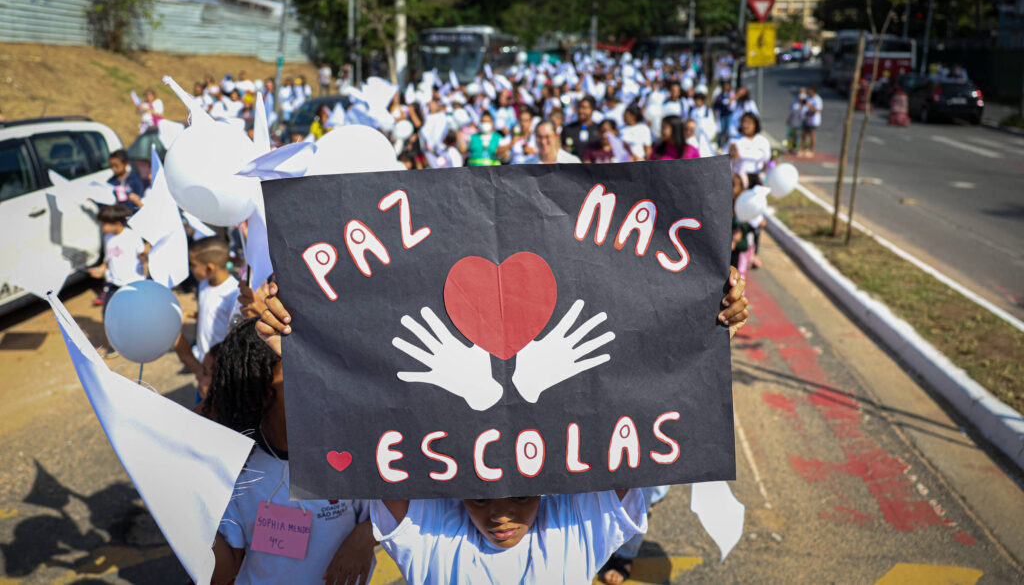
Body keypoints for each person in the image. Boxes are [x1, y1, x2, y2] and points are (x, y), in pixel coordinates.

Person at [252, 267, 749, 585]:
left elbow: (632, 427)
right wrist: (295, 350)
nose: (501, 515)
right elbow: (371, 424)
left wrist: (704, 325)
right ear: (451, 493)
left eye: (523, 495)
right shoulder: (432, 534)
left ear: (551, 489)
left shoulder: (576, 528)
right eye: (480, 497)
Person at [208, 318, 377, 585]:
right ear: (260, 393)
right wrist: (189, 521)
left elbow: (386, 514)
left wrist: (365, 537)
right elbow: (226, 569)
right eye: (298, 377)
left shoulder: (344, 451)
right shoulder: (239, 470)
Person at [175, 237, 240, 393]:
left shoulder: (233, 294)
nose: (191, 268)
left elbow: (235, 335)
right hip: (205, 364)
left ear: (210, 268)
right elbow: (210, 314)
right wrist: (190, 314)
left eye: (193, 265)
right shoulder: (204, 284)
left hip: (220, 368)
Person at [87, 204, 148, 317]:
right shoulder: (108, 237)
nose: (101, 226)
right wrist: (102, 268)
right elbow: (109, 258)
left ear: (117, 223)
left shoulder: (132, 236)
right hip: (114, 283)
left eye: (104, 223)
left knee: (134, 315)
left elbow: (143, 256)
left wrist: (147, 251)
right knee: (108, 313)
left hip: (132, 283)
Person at [728, 112, 771, 178]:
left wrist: (740, 154)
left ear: (755, 124)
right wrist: (730, 156)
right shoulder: (734, 140)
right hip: (738, 178)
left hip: (757, 176)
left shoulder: (762, 141)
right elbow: (725, 160)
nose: (745, 125)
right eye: (743, 122)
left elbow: (766, 158)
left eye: (748, 122)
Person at [801, 86, 823, 157]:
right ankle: (803, 149)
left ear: (813, 91)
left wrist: (810, 106)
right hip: (806, 119)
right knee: (803, 134)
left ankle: (811, 150)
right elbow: (802, 103)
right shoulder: (808, 98)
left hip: (813, 120)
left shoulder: (818, 99)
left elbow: (819, 110)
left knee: (812, 135)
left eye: (810, 91)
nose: (808, 92)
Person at [786, 88, 808, 154]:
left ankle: (798, 148)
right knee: (794, 136)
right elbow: (792, 112)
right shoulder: (796, 103)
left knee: (798, 136)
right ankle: (793, 148)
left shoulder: (803, 103)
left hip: (800, 122)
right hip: (795, 122)